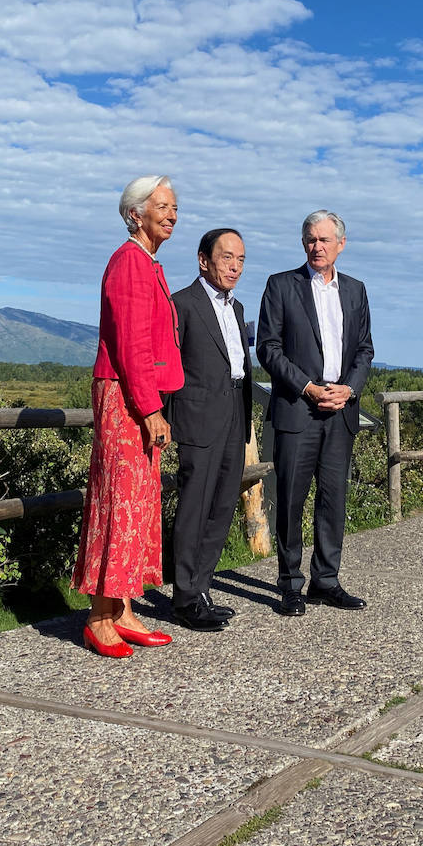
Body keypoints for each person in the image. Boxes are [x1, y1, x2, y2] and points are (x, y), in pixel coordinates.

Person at [72, 176, 184, 658]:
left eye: (175, 206)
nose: (172, 213)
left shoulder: (146, 262)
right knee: (120, 500)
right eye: (162, 205)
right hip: (125, 395)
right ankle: (99, 617)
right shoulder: (128, 263)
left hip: (135, 393)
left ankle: (123, 609)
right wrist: (150, 408)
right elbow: (131, 345)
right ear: (135, 213)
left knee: (139, 501)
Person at [257, 210, 374, 616]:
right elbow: (267, 348)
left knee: (333, 499)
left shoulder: (356, 291)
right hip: (298, 408)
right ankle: (290, 584)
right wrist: (307, 387)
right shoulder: (281, 285)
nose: (316, 247)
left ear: (341, 244)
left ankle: (326, 581)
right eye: (310, 239)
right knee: (290, 500)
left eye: (324, 240)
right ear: (302, 242)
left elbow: (364, 350)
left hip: (340, 411)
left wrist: (349, 389)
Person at [166, 228, 253, 632]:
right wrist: (163, 417)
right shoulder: (182, 304)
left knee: (221, 505)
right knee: (195, 506)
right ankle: (184, 596)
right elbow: (167, 365)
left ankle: (201, 588)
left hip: (235, 409)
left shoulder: (236, 308)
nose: (234, 266)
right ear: (204, 260)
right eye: (226, 258)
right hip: (198, 415)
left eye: (240, 259)